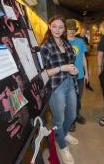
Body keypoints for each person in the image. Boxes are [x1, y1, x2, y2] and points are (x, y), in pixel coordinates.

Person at [41, 15, 79, 164]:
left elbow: (70, 62)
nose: (57, 29)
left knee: (72, 114)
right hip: (56, 86)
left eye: (61, 27)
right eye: (54, 26)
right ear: (50, 26)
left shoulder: (66, 43)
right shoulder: (45, 46)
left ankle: (62, 133)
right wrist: (61, 68)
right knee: (59, 119)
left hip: (70, 82)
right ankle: (63, 147)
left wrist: (73, 70)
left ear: (64, 29)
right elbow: (43, 72)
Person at [66, 19, 88, 131]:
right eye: (69, 29)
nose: (71, 31)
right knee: (70, 99)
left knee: (78, 97)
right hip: (68, 76)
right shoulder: (63, 42)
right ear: (65, 30)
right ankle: (71, 119)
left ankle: (77, 114)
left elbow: (83, 57)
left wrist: (86, 73)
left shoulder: (80, 41)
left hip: (80, 76)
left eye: (73, 29)